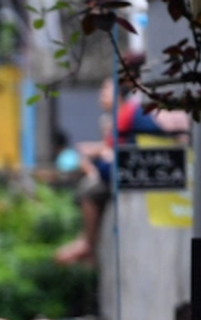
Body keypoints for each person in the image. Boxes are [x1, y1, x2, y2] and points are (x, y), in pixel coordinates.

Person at [54, 75, 190, 266]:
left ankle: (87, 243)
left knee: (88, 190)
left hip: (140, 174)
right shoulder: (119, 117)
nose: (101, 95)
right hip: (124, 172)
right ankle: (86, 241)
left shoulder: (132, 113)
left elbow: (155, 135)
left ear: (119, 93)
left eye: (105, 90)